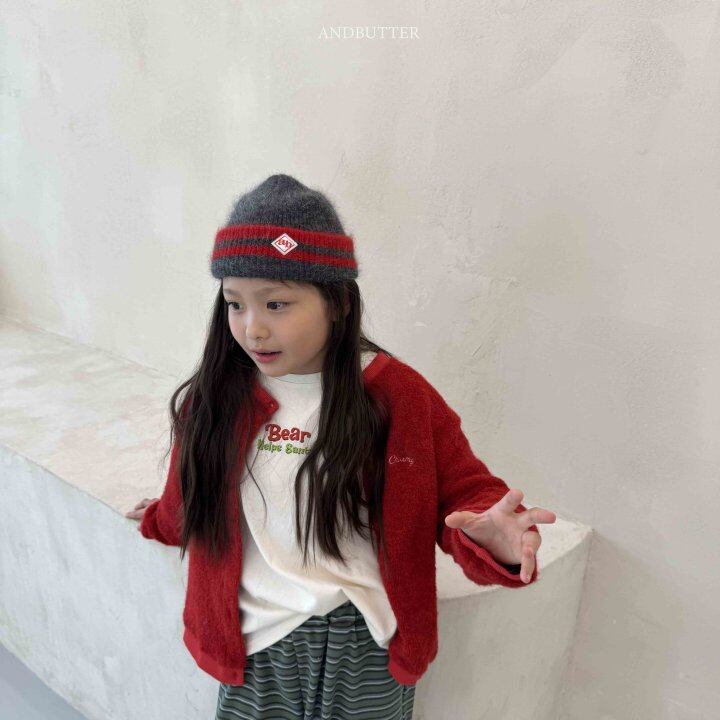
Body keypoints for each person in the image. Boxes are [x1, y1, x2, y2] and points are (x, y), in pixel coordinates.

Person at [125, 173, 557, 719]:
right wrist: (160, 518)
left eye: (276, 304)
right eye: (234, 304)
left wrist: (493, 537)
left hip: (366, 644)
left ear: (337, 303)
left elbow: (465, 492)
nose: (252, 328)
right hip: (254, 644)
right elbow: (189, 498)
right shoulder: (213, 400)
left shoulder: (398, 395)